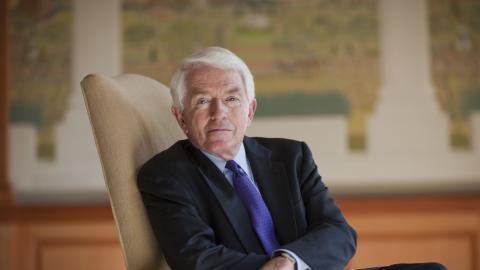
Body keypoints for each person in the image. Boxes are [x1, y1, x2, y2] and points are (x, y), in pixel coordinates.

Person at [137, 46, 358, 270]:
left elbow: (339, 233)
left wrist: (290, 262)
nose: (219, 113)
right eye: (203, 101)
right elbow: (196, 260)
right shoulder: (164, 176)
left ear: (250, 111)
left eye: (232, 99)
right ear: (181, 117)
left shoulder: (292, 157)